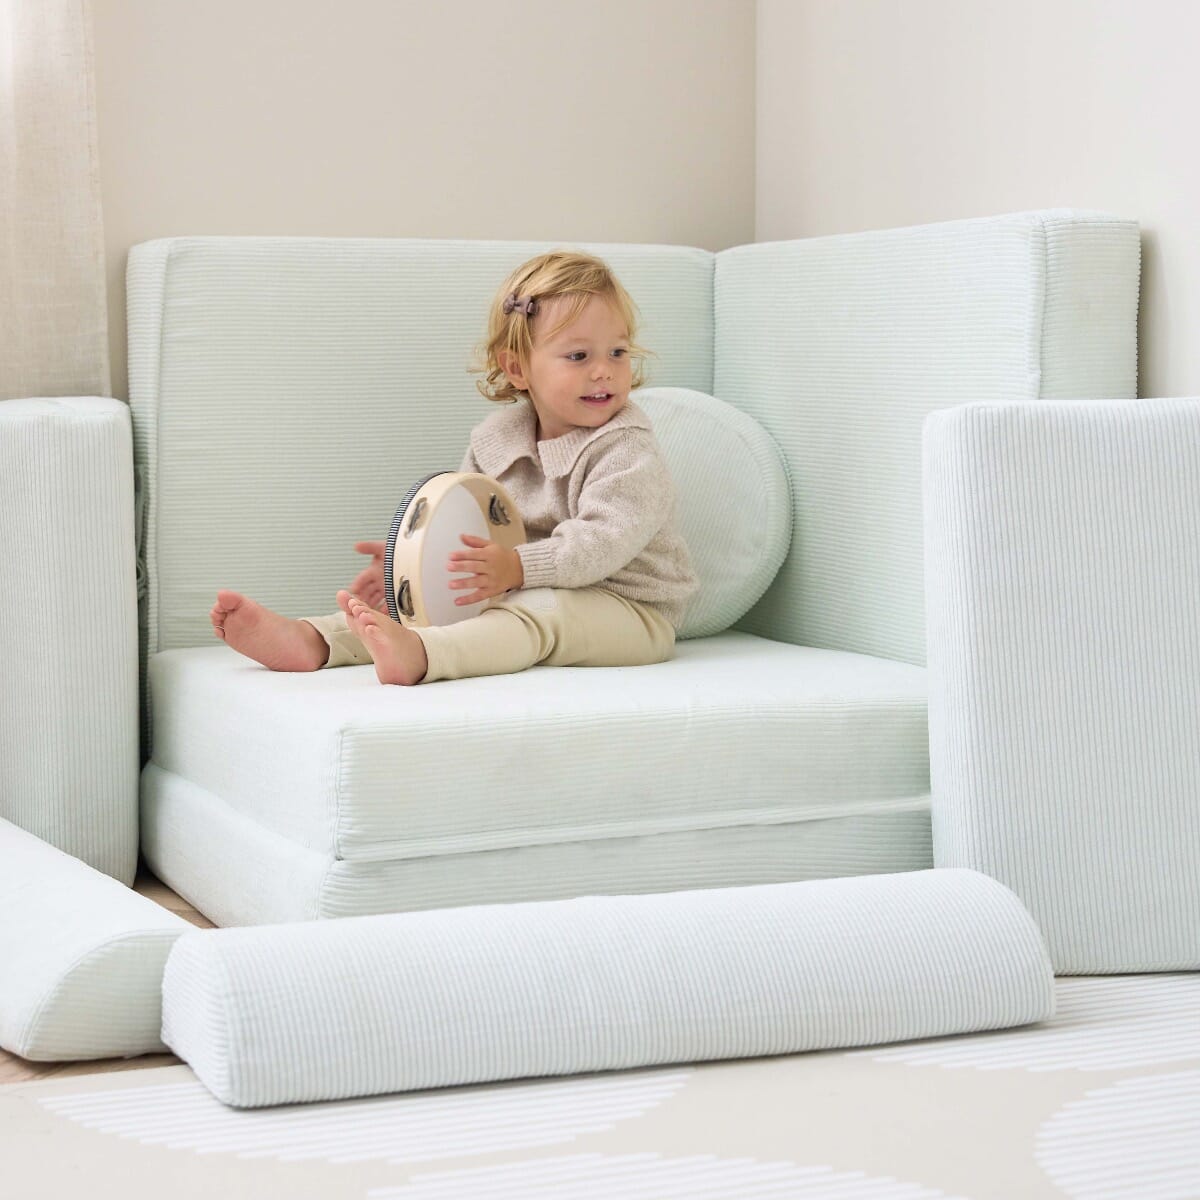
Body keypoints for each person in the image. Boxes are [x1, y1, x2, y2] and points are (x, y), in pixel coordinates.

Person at [210, 250, 697, 686]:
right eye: (578, 355)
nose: (604, 370)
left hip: (630, 610)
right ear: (517, 369)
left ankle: (425, 656)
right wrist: (419, 559)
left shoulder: (626, 447)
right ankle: (314, 640)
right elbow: (467, 517)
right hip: (521, 580)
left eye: (618, 351)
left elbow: (603, 542)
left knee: (537, 613)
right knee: (426, 601)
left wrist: (516, 567)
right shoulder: (496, 440)